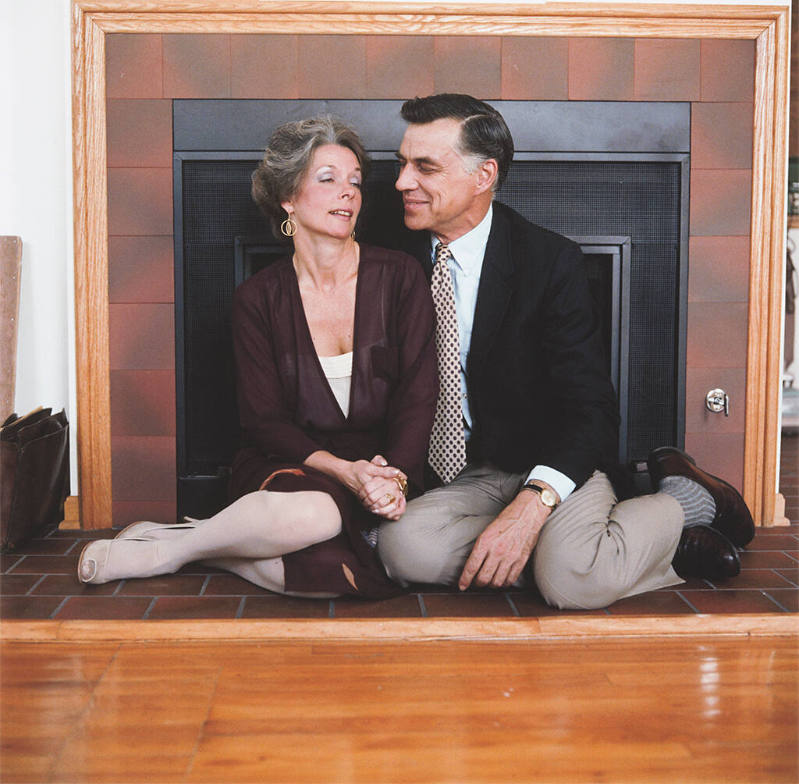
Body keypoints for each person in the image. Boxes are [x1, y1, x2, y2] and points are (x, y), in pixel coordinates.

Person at [378, 93, 755, 609]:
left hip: (553, 459)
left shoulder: (549, 262)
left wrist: (532, 506)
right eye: (402, 164)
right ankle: (611, 550)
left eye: (424, 167)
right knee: (401, 549)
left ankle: (685, 502)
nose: (401, 182)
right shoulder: (392, 257)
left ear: (483, 175)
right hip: (477, 473)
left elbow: (591, 408)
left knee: (570, 581)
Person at [78, 115, 438, 599]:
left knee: (338, 572)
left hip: (379, 467)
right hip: (294, 466)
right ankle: (167, 551)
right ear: (288, 198)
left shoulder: (401, 276)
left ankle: (193, 543)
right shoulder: (258, 297)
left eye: (354, 181)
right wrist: (340, 470)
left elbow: (419, 392)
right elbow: (264, 420)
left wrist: (390, 477)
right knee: (317, 514)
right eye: (328, 179)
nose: (348, 192)